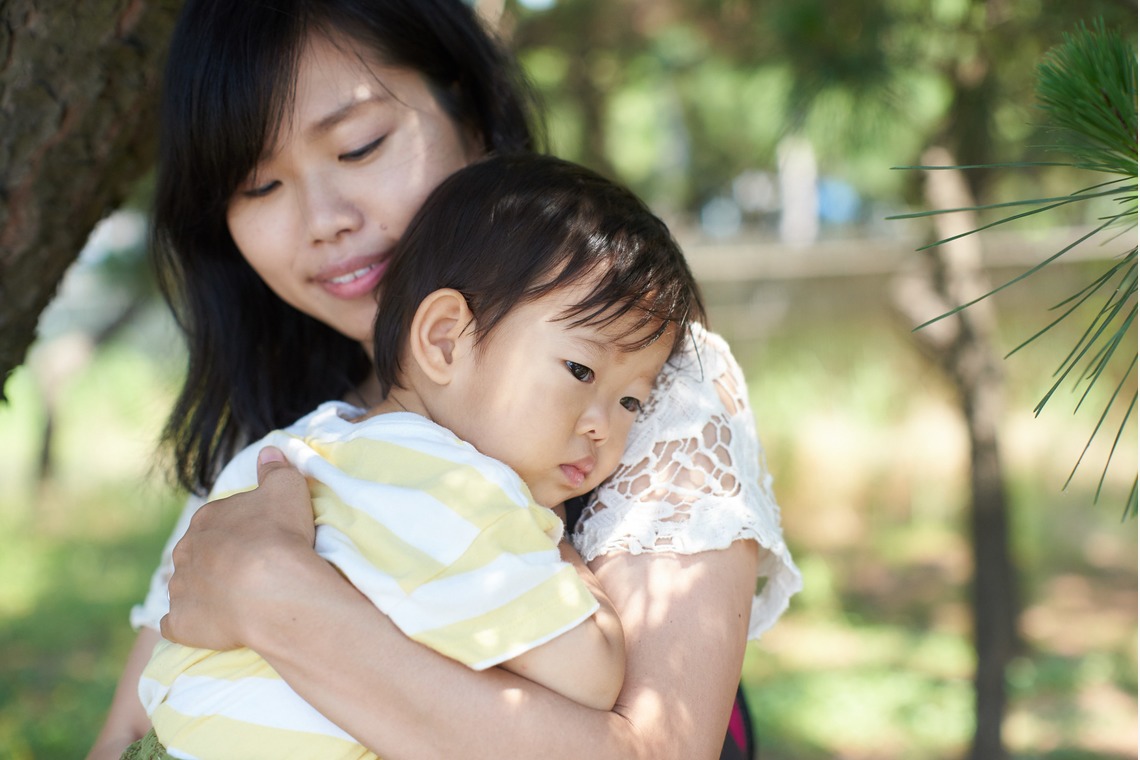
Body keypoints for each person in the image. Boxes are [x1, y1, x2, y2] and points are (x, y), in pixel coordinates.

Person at [87, 1, 802, 758]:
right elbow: (133, 729)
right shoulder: (281, 439)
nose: (324, 219)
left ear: (471, 112)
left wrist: (277, 597)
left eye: (359, 147)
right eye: (259, 187)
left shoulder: (647, 389)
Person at [131, 153, 703, 758]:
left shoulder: (298, 449)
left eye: (632, 403)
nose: (601, 427)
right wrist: (557, 546)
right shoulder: (456, 492)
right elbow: (588, 672)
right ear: (443, 338)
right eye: (580, 369)